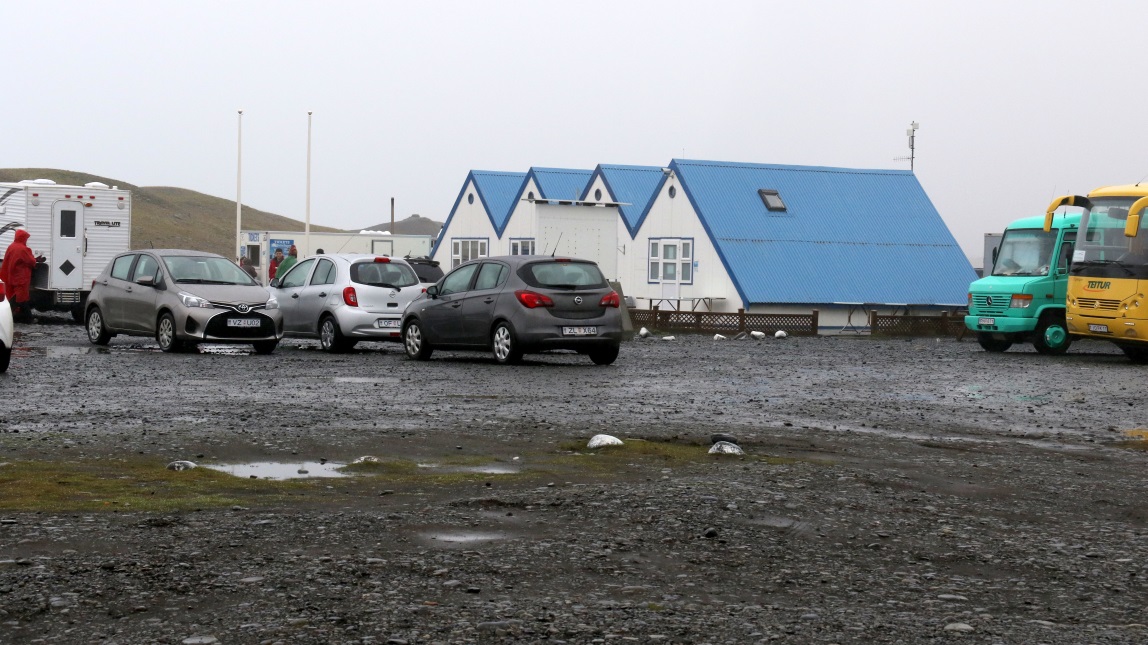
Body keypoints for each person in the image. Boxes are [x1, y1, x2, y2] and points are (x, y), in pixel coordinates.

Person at [0, 229, 37, 323]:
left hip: (12, 275)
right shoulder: (23, 249)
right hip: (21, 277)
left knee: (16, 297)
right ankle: (28, 319)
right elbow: (31, 261)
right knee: (21, 298)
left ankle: (23, 318)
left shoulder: (11, 246)